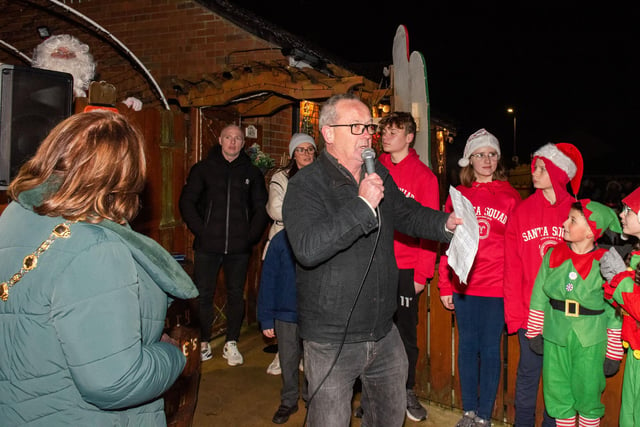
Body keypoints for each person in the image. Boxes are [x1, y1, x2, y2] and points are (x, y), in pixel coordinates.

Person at [0, 111, 199, 426]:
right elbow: (116, 382)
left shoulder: (15, 216)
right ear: (124, 175)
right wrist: (173, 355)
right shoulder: (96, 247)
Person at [282, 93, 462, 427]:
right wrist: (362, 206)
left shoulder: (375, 171)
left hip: (383, 330)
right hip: (332, 338)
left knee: (389, 417)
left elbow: (406, 214)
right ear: (329, 133)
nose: (368, 134)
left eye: (369, 126)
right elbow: (307, 248)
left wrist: (444, 224)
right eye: (357, 126)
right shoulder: (306, 184)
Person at [438, 129, 521, 427]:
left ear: (497, 159)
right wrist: (445, 284)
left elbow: (517, 250)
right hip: (464, 286)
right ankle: (468, 410)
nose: (486, 160)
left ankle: (484, 415)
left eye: (491, 154)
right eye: (479, 154)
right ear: (469, 160)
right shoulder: (458, 196)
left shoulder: (511, 197)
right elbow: (447, 243)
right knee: (466, 348)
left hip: (496, 288)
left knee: (490, 350)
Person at [503, 142, 584, 427]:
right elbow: (511, 268)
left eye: (540, 167)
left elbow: (582, 268)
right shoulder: (522, 212)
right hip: (530, 314)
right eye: (535, 166)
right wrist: (515, 315)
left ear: (558, 173)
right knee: (527, 376)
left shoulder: (577, 215)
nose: (533, 172)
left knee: (558, 382)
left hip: (563, 317)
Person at [525, 199, 623, 427]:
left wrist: (613, 351)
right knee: (558, 392)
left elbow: (614, 310)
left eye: (572, 220)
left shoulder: (606, 263)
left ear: (591, 231)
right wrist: (534, 331)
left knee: (588, 392)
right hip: (555, 334)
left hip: (590, 339)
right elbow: (539, 296)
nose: (564, 222)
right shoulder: (553, 255)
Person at [179, 124, 269, 365]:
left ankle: (231, 342)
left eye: (238, 139)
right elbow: (187, 202)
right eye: (228, 137)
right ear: (220, 140)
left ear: (243, 143)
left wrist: (249, 236)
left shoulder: (252, 173)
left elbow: (262, 209)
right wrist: (203, 231)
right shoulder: (203, 169)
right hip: (208, 246)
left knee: (235, 294)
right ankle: (205, 341)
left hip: (239, 248)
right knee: (203, 295)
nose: (233, 142)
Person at [377, 111, 439, 422]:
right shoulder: (372, 169)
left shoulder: (425, 177)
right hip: (374, 264)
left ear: (409, 137)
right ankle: (374, 393)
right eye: (384, 131)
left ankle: (407, 390)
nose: (386, 136)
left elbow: (430, 229)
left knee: (404, 336)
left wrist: (422, 274)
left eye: (393, 131)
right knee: (371, 331)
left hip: (405, 269)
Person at [264, 132, 316, 376]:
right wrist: (307, 215)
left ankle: (305, 353)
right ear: (293, 153)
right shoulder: (281, 178)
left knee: (307, 303)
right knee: (282, 302)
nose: (305, 154)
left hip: (313, 245)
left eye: (310, 149)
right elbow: (275, 209)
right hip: (283, 245)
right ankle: (282, 355)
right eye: (301, 149)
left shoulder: (321, 177)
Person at [257, 229, 309, 424]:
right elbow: (268, 280)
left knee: (313, 360)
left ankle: (312, 397)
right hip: (284, 313)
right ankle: (289, 399)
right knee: (288, 359)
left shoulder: (317, 236)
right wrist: (266, 317)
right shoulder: (279, 241)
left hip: (312, 313)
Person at [600, 186, 640, 427]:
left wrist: (620, 281)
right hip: (635, 353)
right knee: (629, 417)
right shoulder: (636, 255)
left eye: (628, 210)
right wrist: (613, 285)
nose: (622, 214)